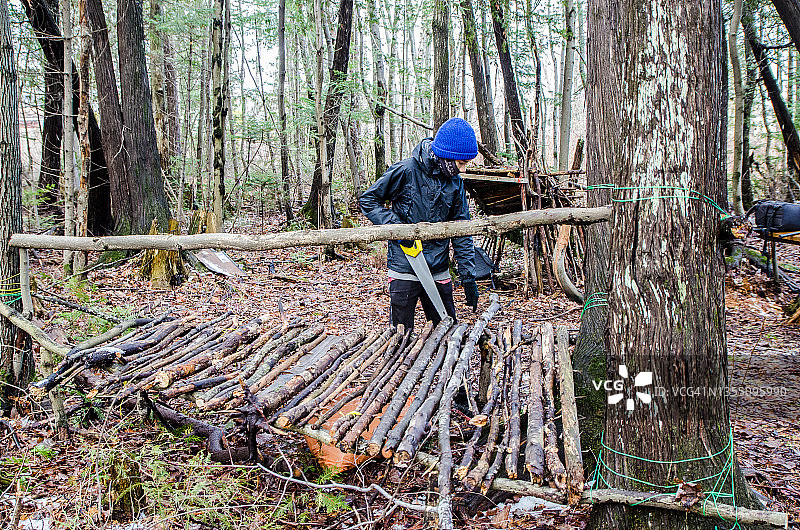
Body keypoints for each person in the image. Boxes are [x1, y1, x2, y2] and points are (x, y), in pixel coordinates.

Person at [359, 117, 480, 330]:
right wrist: (399, 229)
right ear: (447, 157)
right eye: (461, 163)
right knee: (400, 333)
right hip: (405, 263)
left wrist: (468, 275)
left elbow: (462, 229)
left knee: (446, 330)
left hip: (438, 267)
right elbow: (369, 200)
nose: (463, 169)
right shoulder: (406, 170)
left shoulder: (455, 183)